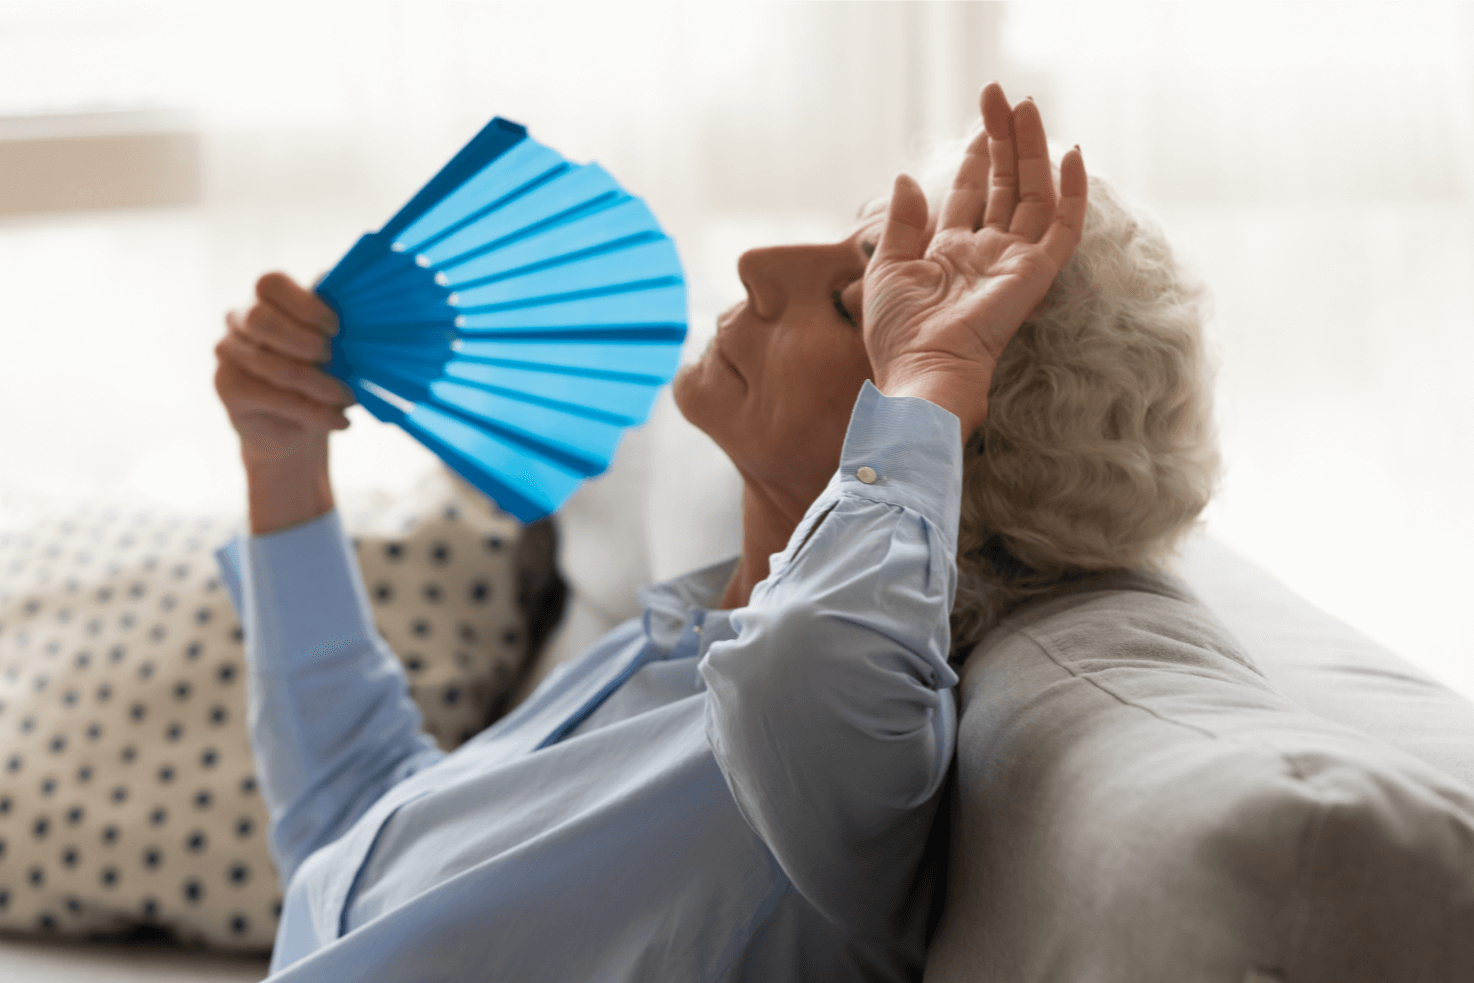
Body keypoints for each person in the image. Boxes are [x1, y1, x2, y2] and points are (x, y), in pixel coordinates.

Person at [211, 81, 1215, 980]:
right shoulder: (684, 635)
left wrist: (930, 386)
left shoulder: (836, 765)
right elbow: (354, 842)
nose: (755, 263)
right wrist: (283, 455)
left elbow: (811, 665)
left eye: (847, 298)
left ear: (947, 447)